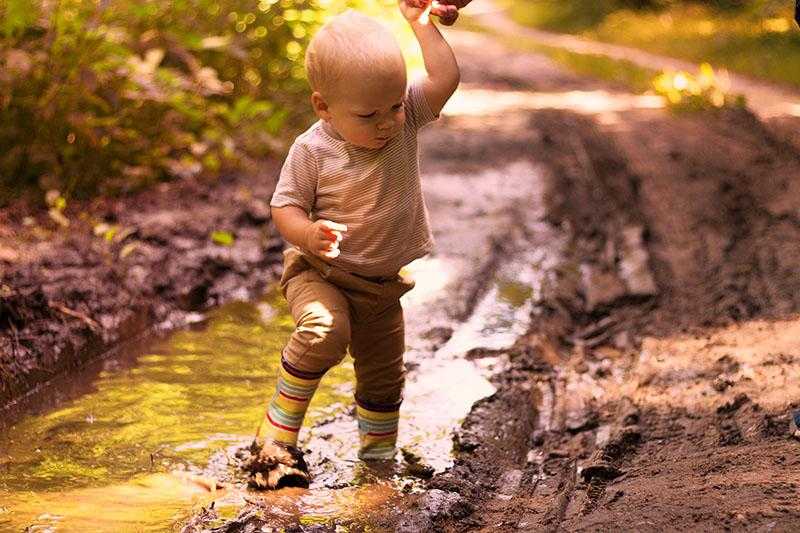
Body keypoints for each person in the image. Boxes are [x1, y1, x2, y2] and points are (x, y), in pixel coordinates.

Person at [247, 0, 461, 489]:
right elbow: (285, 207)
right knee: (324, 331)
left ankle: (377, 465)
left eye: (395, 106)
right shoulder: (312, 150)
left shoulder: (404, 120)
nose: (386, 123)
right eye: (368, 115)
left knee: (384, 381)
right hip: (321, 274)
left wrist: (421, 27)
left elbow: (445, 78)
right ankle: (274, 442)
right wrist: (308, 234)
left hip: (382, 287)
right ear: (323, 107)